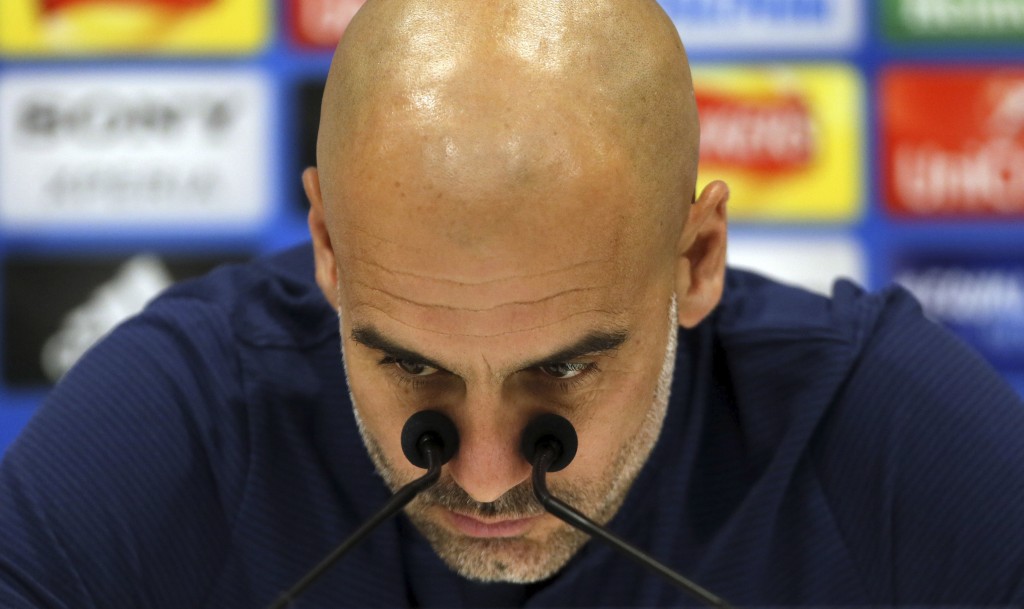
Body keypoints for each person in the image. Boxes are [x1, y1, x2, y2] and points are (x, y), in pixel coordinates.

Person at [3, 0, 1024, 607]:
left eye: (567, 369)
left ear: (697, 260)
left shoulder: (872, 424)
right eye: (410, 365)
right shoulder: (186, 415)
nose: (488, 481)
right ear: (326, 251)